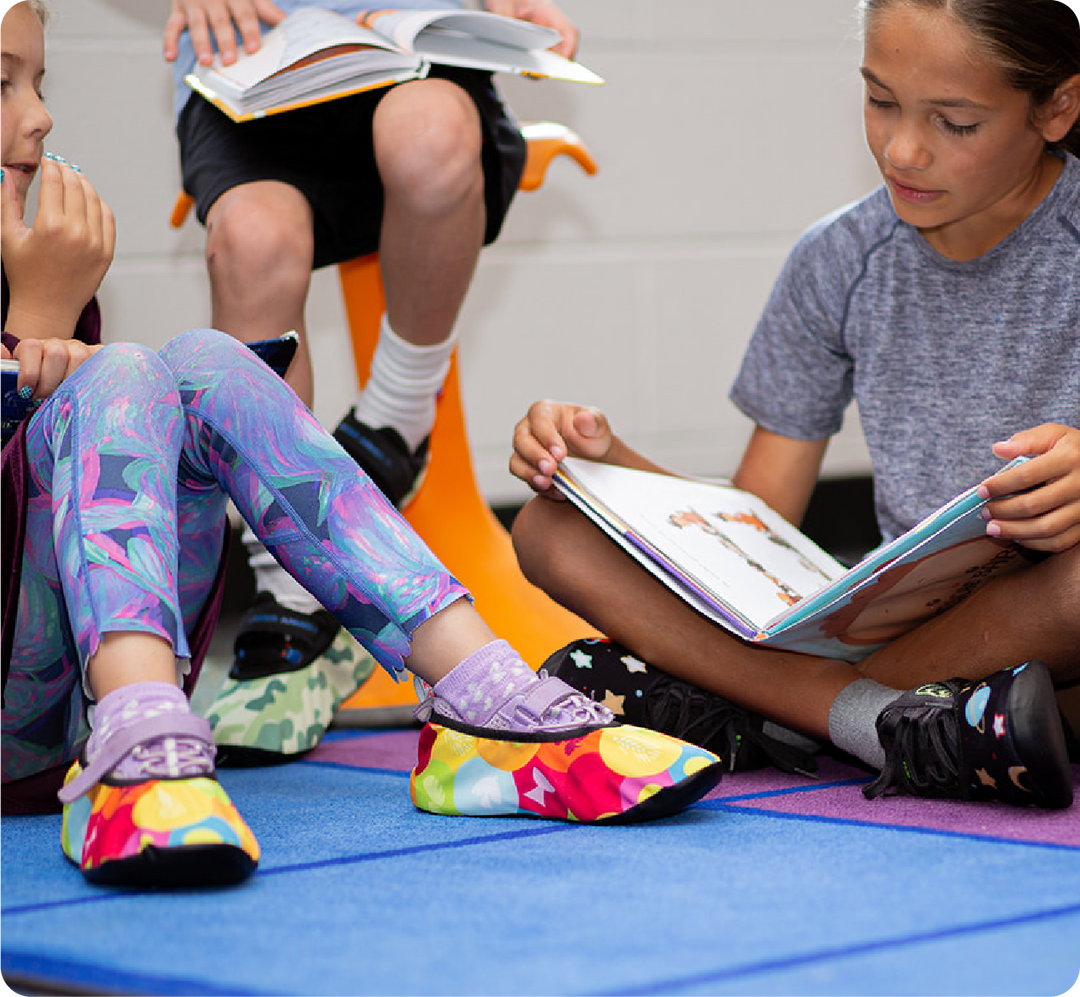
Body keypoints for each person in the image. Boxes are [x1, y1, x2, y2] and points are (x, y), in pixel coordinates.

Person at [0, 0, 724, 888]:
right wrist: (35, 328)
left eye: (41, 83)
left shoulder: (26, 245)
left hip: (75, 705)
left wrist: (56, 340)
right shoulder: (38, 272)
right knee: (117, 374)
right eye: (5, 83)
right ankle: (137, 737)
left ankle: (484, 709)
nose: (38, 114)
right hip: (33, 717)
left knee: (208, 364)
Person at [509, 0, 1080, 809]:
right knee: (548, 527)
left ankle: (756, 707)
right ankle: (885, 721)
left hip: (1033, 622)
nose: (901, 149)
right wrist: (607, 471)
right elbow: (756, 522)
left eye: (954, 123)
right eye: (880, 101)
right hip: (884, 625)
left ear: (1057, 107)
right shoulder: (840, 257)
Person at [162, 0, 581, 762]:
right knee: (253, 239)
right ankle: (286, 586)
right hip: (257, 65)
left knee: (431, 131)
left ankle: (396, 420)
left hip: (410, 60)